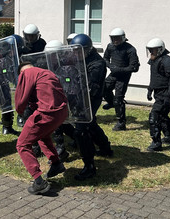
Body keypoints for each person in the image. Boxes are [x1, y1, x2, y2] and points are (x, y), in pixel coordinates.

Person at [15, 61, 68, 195]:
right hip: (62, 112)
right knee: (42, 136)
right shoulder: (47, 72)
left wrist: (20, 110)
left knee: (22, 144)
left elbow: (20, 101)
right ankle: (56, 163)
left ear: (21, 72)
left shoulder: (26, 73)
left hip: (47, 113)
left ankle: (39, 182)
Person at [70, 34, 113, 181]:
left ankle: (89, 166)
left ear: (88, 49)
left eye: (78, 51)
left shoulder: (97, 64)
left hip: (91, 99)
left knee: (81, 131)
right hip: (80, 96)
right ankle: (105, 148)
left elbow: (92, 87)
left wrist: (78, 97)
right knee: (91, 124)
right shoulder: (81, 58)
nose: (76, 54)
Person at [103, 28, 140, 131]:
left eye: (117, 39)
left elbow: (134, 67)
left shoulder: (130, 49)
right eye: (113, 39)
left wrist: (119, 70)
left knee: (118, 99)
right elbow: (105, 58)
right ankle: (111, 103)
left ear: (123, 38)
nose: (115, 41)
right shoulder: (110, 47)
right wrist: (110, 66)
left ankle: (121, 122)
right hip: (113, 73)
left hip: (123, 77)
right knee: (104, 88)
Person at [146, 38, 170, 151]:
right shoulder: (154, 60)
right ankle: (168, 137)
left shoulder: (167, 61)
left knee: (154, 116)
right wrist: (150, 89)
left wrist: (168, 97)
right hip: (158, 92)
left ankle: (156, 142)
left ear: (160, 50)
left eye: (153, 50)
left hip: (165, 93)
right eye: (150, 50)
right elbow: (154, 76)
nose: (151, 53)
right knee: (163, 116)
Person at [17, 24, 47, 128]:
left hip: (38, 72)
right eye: (28, 36)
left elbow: (45, 56)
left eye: (32, 36)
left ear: (37, 35)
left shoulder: (42, 43)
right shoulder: (21, 44)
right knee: (24, 96)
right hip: (25, 74)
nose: (30, 39)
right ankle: (21, 115)